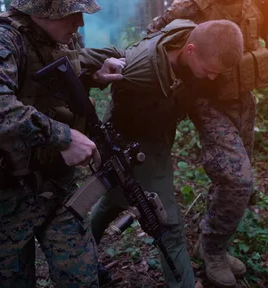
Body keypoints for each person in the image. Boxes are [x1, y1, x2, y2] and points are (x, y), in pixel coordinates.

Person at [0, 0, 125, 288]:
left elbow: (47, 84)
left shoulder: (61, 38)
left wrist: (93, 75)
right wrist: (62, 136)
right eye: (73, 13)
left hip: (58, 187)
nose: (80, 23)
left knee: (83, 280)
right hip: (7, 196)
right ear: (44, 11)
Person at [146, 0, 268, 288]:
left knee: (234, 181)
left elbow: (261, 34)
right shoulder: (192, 3)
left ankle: (213, 242)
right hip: (207, 101)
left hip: (244, 98)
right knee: (238, 177)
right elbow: (153, 39)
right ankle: (213, 252)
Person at [81, 18, 245, 288]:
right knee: (167, 224)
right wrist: (94, 78)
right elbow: (82, 61)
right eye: (209, 70)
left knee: (113, 200)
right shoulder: (139, 66)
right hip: (127, 142)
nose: (212, 77)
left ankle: (79, 253)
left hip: (156, 137)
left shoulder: (188, 36)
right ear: (190, 50)